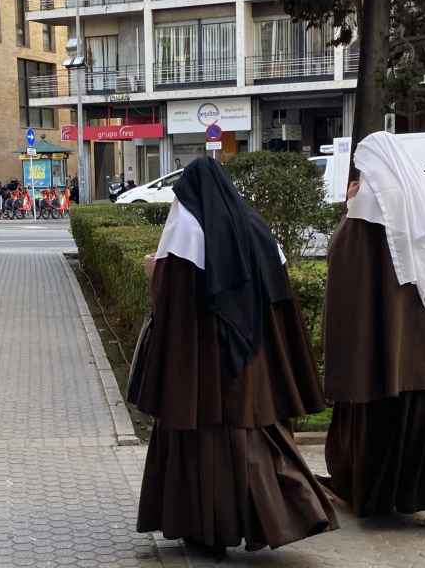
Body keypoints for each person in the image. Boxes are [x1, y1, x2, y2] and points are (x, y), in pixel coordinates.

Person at [131, 157, 338, 555]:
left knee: (203, 438)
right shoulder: (255, 226)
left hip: (201, 367)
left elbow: (173, 303)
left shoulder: (186, 229)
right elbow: (278, 301)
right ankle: (291, 513)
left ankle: (208, 531)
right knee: (254, 437)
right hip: (251, 362)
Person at [322, 132, 425, 532]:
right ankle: (365, 491)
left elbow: (343, 255)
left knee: (377, 407)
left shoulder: (372, 198)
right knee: (414, 412)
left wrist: (349, 207)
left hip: (386, 329)